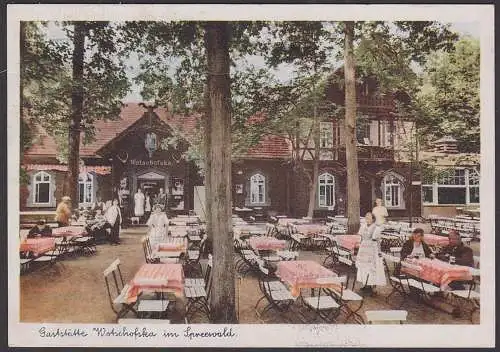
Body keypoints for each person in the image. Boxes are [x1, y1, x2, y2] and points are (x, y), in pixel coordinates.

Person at [356, 212, 386, 294]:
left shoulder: (376, 228)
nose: (367, 219)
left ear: (373, 219)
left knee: (372, 268)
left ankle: (373, 287)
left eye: (369, 218)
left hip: (372, 249)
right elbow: (361, 238)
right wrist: (359, 247)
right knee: (364, 267)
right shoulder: (363, 226)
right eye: (366, 218)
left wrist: (379, 251)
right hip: (363, 248)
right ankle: (366, 284)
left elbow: (378, 241)